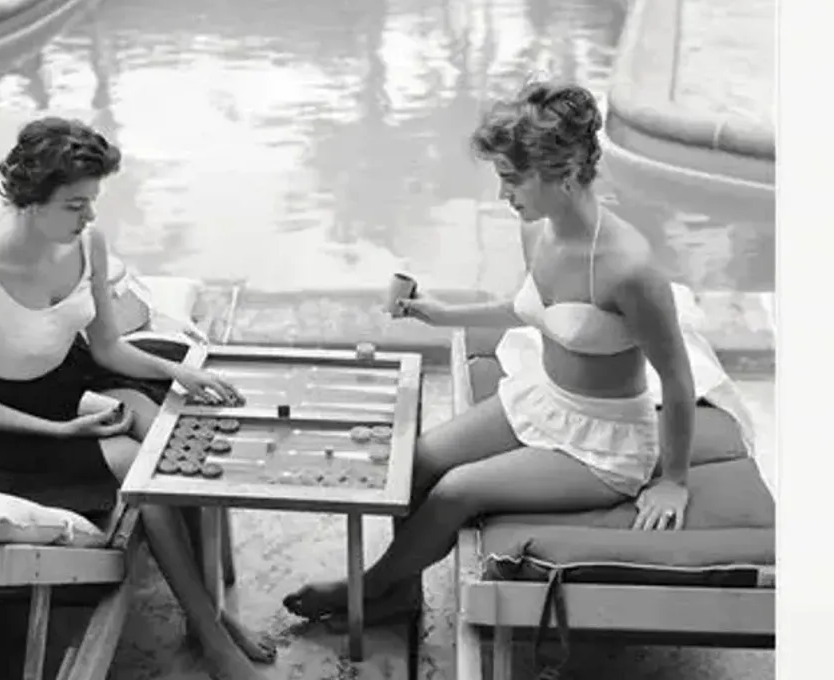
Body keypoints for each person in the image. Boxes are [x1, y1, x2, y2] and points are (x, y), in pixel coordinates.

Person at [0, 116, 285, 680]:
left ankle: (210, 611)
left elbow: (107, 347)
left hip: (70, 382)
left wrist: (178, 372)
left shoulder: (87, 242)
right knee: (141, 468)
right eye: (74, 204)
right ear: (30, 200)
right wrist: (60, 431)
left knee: (181, 427)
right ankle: (211, 639)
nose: (88, 217)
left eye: (92, 202)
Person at [284, 81, 696, 629]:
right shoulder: (536, 230)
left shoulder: (630, 269)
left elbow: (677, 379)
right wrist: (439, 314)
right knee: (419, 460)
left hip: (604, 443)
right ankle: (399, 592)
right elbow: (527, 307)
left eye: (511, 179)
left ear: (564, 174)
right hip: (544, 400)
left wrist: (674, 480)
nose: (503, 194)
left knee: (458, 489)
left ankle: (366, 588)